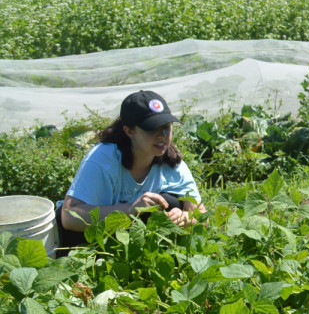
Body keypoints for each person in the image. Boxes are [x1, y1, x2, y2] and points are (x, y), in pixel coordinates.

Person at [58, 90, 205, 248]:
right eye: (152, 129)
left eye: (166, 127)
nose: (162, 135)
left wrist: (186, 217)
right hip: (84, 238)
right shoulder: (103, 159)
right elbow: (68, 217)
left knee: (171, 202)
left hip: (128, 237)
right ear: (129, 131)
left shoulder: (172, 164)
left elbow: (203, 216)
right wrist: (130, 209)